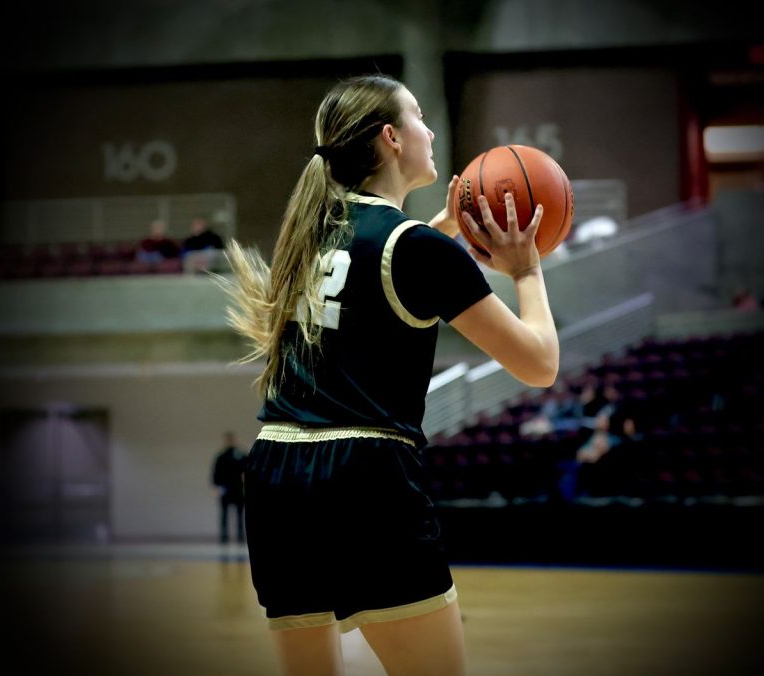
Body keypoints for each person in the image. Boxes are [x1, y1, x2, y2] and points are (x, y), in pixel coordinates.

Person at [216, 74, 558, 676]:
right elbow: (539, 364)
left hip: (275, 472)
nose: (430, 130)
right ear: (391, 138)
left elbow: (384, 262)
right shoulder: (419, 249)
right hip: (363, 479)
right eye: (420, 117)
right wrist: (526, 270)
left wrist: (445, 229)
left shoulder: (310, 235)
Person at [211, 432, 247, 543]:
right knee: (224, 514)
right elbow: (216, 473)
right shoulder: (221, 457)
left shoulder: (240, 455)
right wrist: (216, 487)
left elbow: (247, 471)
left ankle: (240, 536)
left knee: (240, 514)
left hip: (238, 489)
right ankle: (224, 536)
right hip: (225, 489)